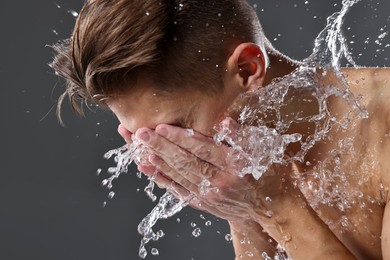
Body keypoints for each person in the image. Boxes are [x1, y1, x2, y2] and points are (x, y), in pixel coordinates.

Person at [50, 0, 390, 259]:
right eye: (142, 138)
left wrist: (274, 206)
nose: (168, 149)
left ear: (247, 68)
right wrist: (240, 211)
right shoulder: (256, 155)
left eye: (176, 127)